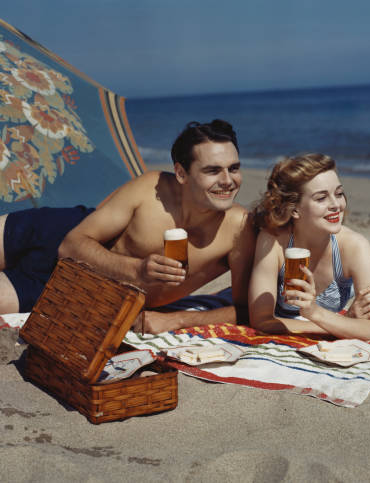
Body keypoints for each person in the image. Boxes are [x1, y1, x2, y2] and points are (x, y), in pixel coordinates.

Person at [57, 119, 254, 333]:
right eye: (212, 171)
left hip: (109, 305)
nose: (227, 180)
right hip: (66, 252)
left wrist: (176, 320)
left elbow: (248, 309)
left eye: (233, 168)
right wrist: (137, 269)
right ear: (181, 174)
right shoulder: (150, 189)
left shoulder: (239, 227)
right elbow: (69, 246)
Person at [248, 153, 370, 341]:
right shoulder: (273, 241)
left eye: (338, 194)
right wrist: (344, 322)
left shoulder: (355, 247)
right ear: (294, 209)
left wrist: (314, 313)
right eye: (321, 198)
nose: (336, 205)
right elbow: (262, 320)